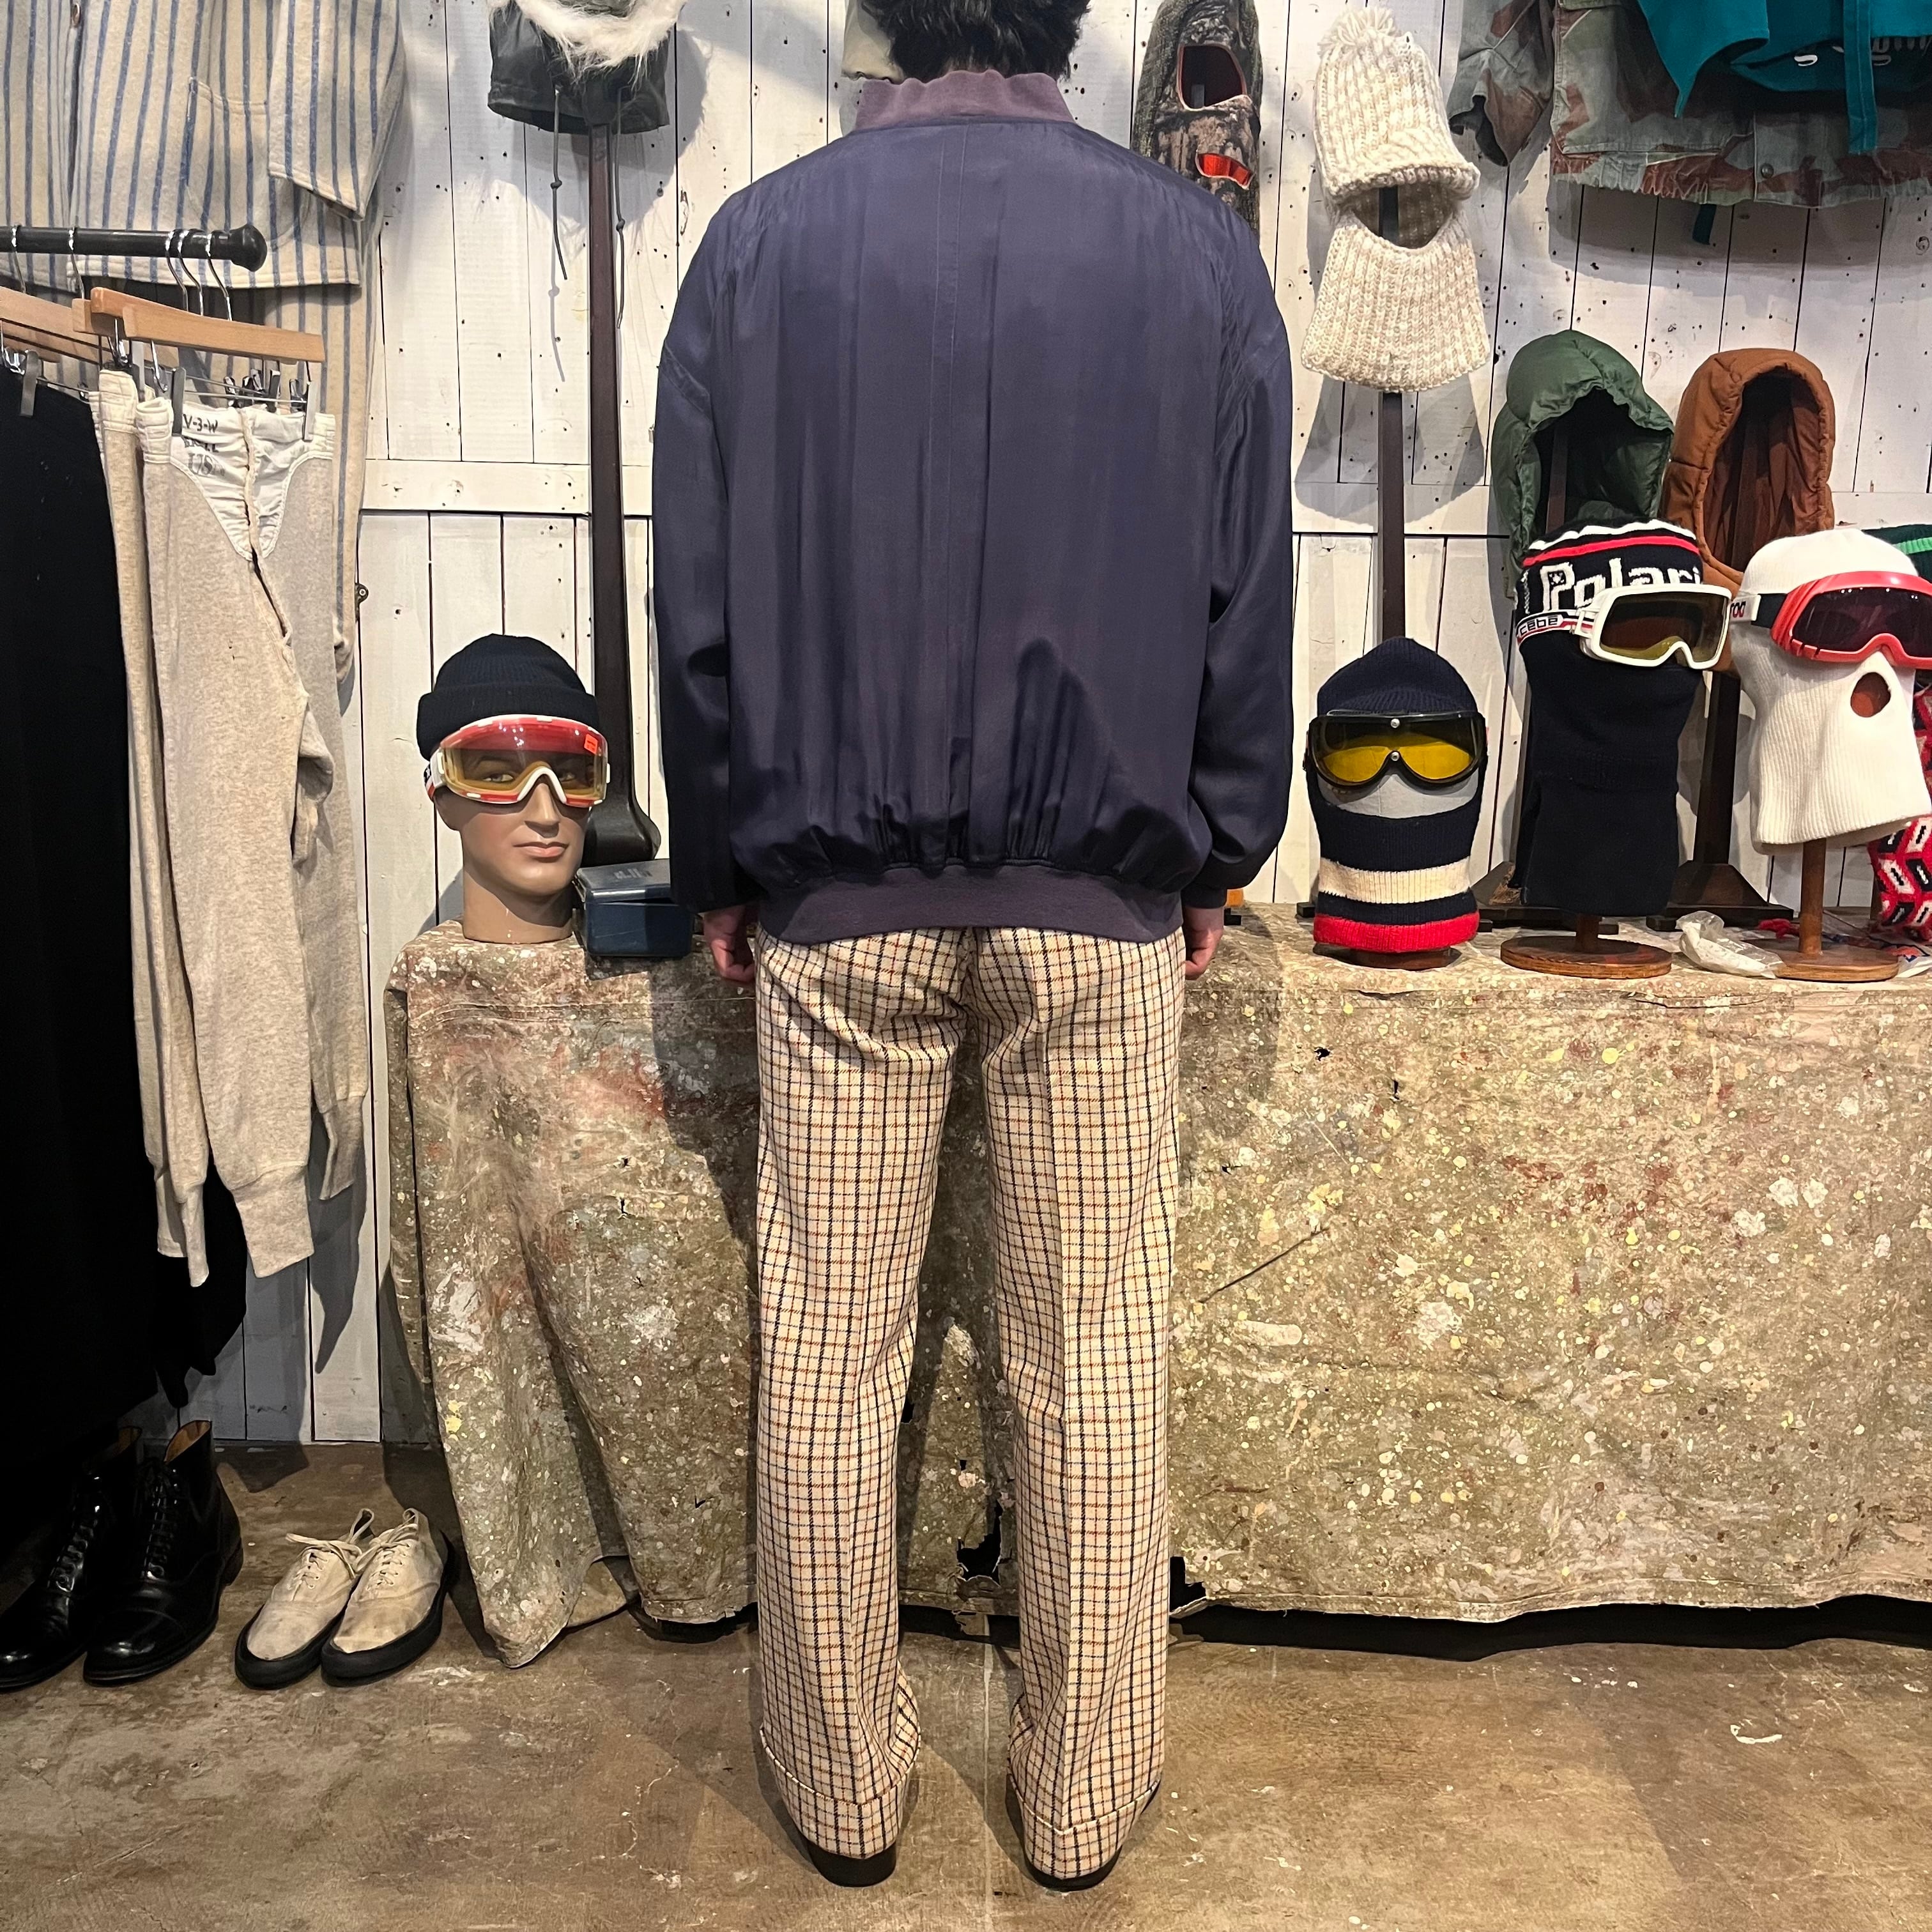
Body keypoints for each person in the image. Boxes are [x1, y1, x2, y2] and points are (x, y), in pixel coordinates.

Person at [652, 0, 1292, 1890]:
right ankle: (1081, 1797)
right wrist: (1214, 850)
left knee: (830, 1354)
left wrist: (722, 865)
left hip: (838, 914)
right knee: (1092, 1354)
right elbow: (1244, 589)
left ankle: (843, 1789)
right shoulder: (1195, 257)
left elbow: (702, 610)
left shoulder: (756, 248)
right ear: (1064, 19)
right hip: (1096, 911)